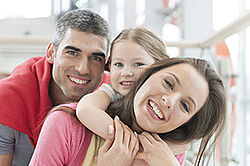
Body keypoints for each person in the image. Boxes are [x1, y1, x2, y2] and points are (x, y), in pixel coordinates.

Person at [29, 57, 226, 166]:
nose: (169, 100)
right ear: (147, 76)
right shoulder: (66, 125)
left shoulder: (167, 157)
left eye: (185, 106)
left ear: (187, 123)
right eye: (168, 83)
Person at [0, 9, 110, 166]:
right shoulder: (7, 99)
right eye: (72, 52)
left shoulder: (113, 94)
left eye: (95, 58)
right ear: (51, 53)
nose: (83, 69)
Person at [76, 27, 187, 165]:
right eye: (118, 64)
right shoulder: (111, 92)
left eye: (138, 64)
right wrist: (132, 143)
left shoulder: (167, 104)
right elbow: (85, 109)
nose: (126, 72)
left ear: (160, 68)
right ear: (109, 67)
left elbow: (184, 143)